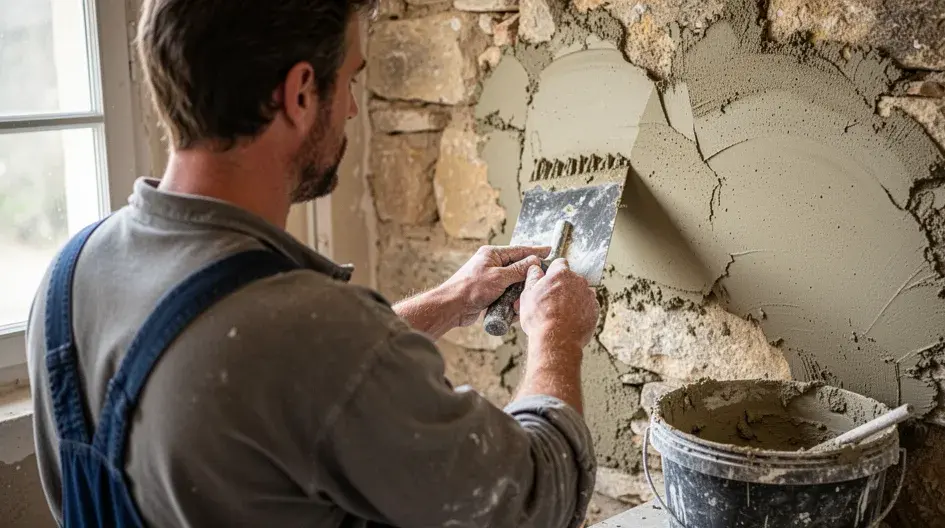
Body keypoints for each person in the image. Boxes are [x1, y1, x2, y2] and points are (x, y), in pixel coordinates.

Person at [25, 1, 600, 527]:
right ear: (300, 92)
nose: (352, 107)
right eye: (350, 78)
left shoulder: (70, 275)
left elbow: (268, 383)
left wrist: (451, 300)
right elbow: (535, 497)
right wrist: (556, 336)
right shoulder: (311, 336)